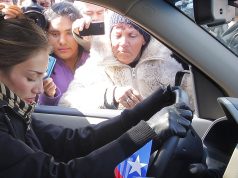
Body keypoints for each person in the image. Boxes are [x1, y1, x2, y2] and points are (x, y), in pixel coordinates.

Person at [0, 15, 195, 178]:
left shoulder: (15, 112)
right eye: (31, 77)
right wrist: (147, 131)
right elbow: (59, 174)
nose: (39, 90)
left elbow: (74, 142)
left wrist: (145, 109)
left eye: (42, 77)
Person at [59, 12, 193, 110]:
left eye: (132, 35)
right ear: (109, 38)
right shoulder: (95, 67)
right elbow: (66, 103)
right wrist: (109, 96)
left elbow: (196, 105)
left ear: (144, 39)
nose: (123, 43)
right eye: (117, 35)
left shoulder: (168, 66)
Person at [37, 1, 89, 106]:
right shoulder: (43, 67)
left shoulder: (94, 58)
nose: (62, 41)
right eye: (55, 34)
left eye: (69, 33)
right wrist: (49, 95)